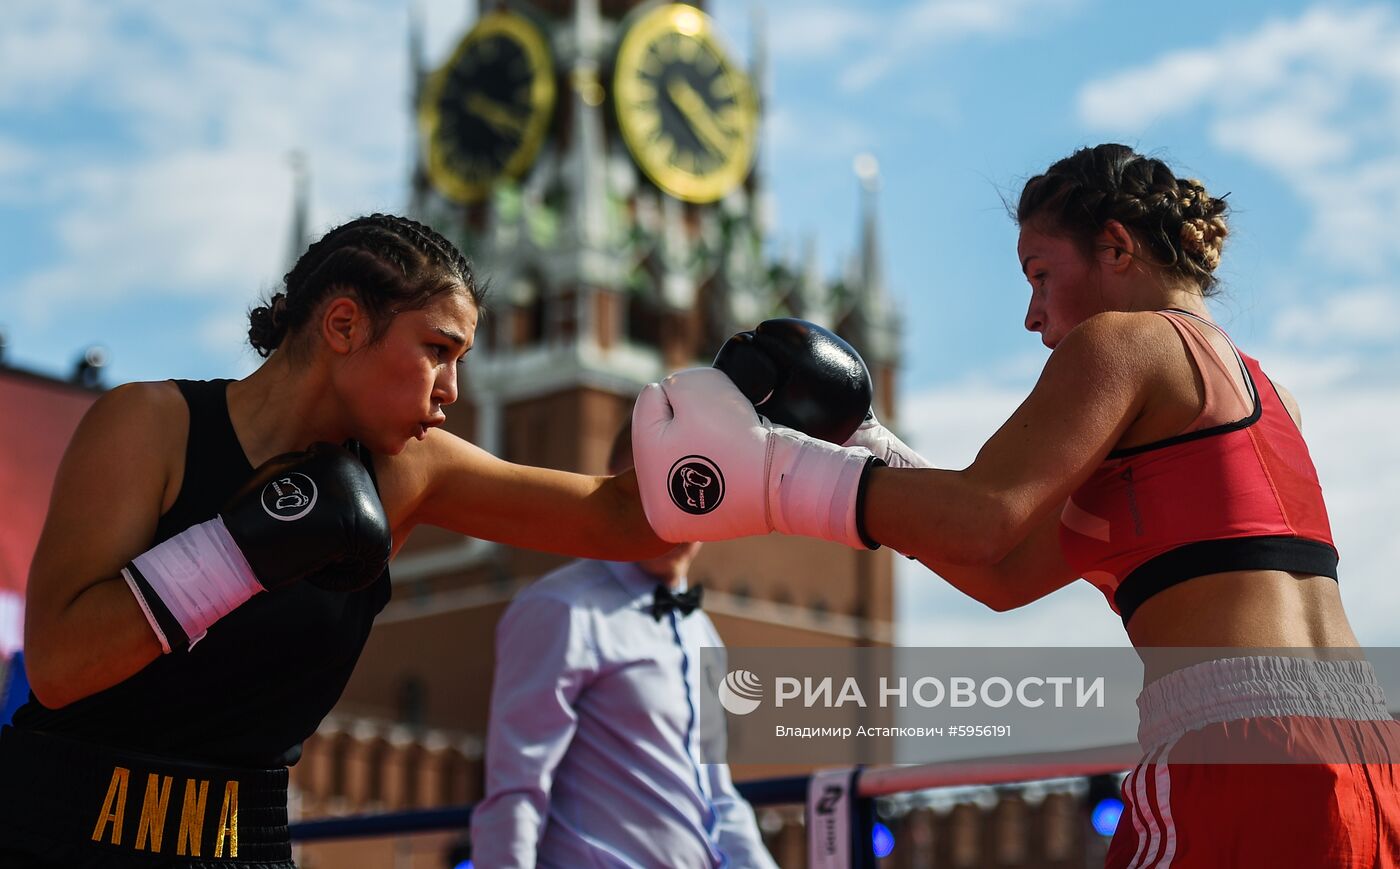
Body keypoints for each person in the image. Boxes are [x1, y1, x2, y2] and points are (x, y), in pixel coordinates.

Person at [631, 145, 1400, 866]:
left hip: (1238, 744)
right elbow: (1000, 573)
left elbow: (981, 515)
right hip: (1371, 754)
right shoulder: (1272, 398)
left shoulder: (1123, 344)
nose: (1033, 317)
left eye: (1039, 275)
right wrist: (866, 444)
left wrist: (776, 471)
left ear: (1116, 249)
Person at [0, 213, 670, 869]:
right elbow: (59, 669)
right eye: (437, 350)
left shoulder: (410, 471)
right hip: (59, 827)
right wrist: (237, 553)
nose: (452, 389)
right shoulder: (150, 426)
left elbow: (615, 516)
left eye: (460, 359)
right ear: (344, 324)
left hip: (241, 842)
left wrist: (761, 441)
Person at [470, 421, 779, 869]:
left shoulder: (702, 632)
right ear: (617, 490)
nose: (676, 510)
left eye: (697, 489)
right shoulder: (561, 609)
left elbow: (719, 795)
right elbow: (516, 789)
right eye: (657, 488)